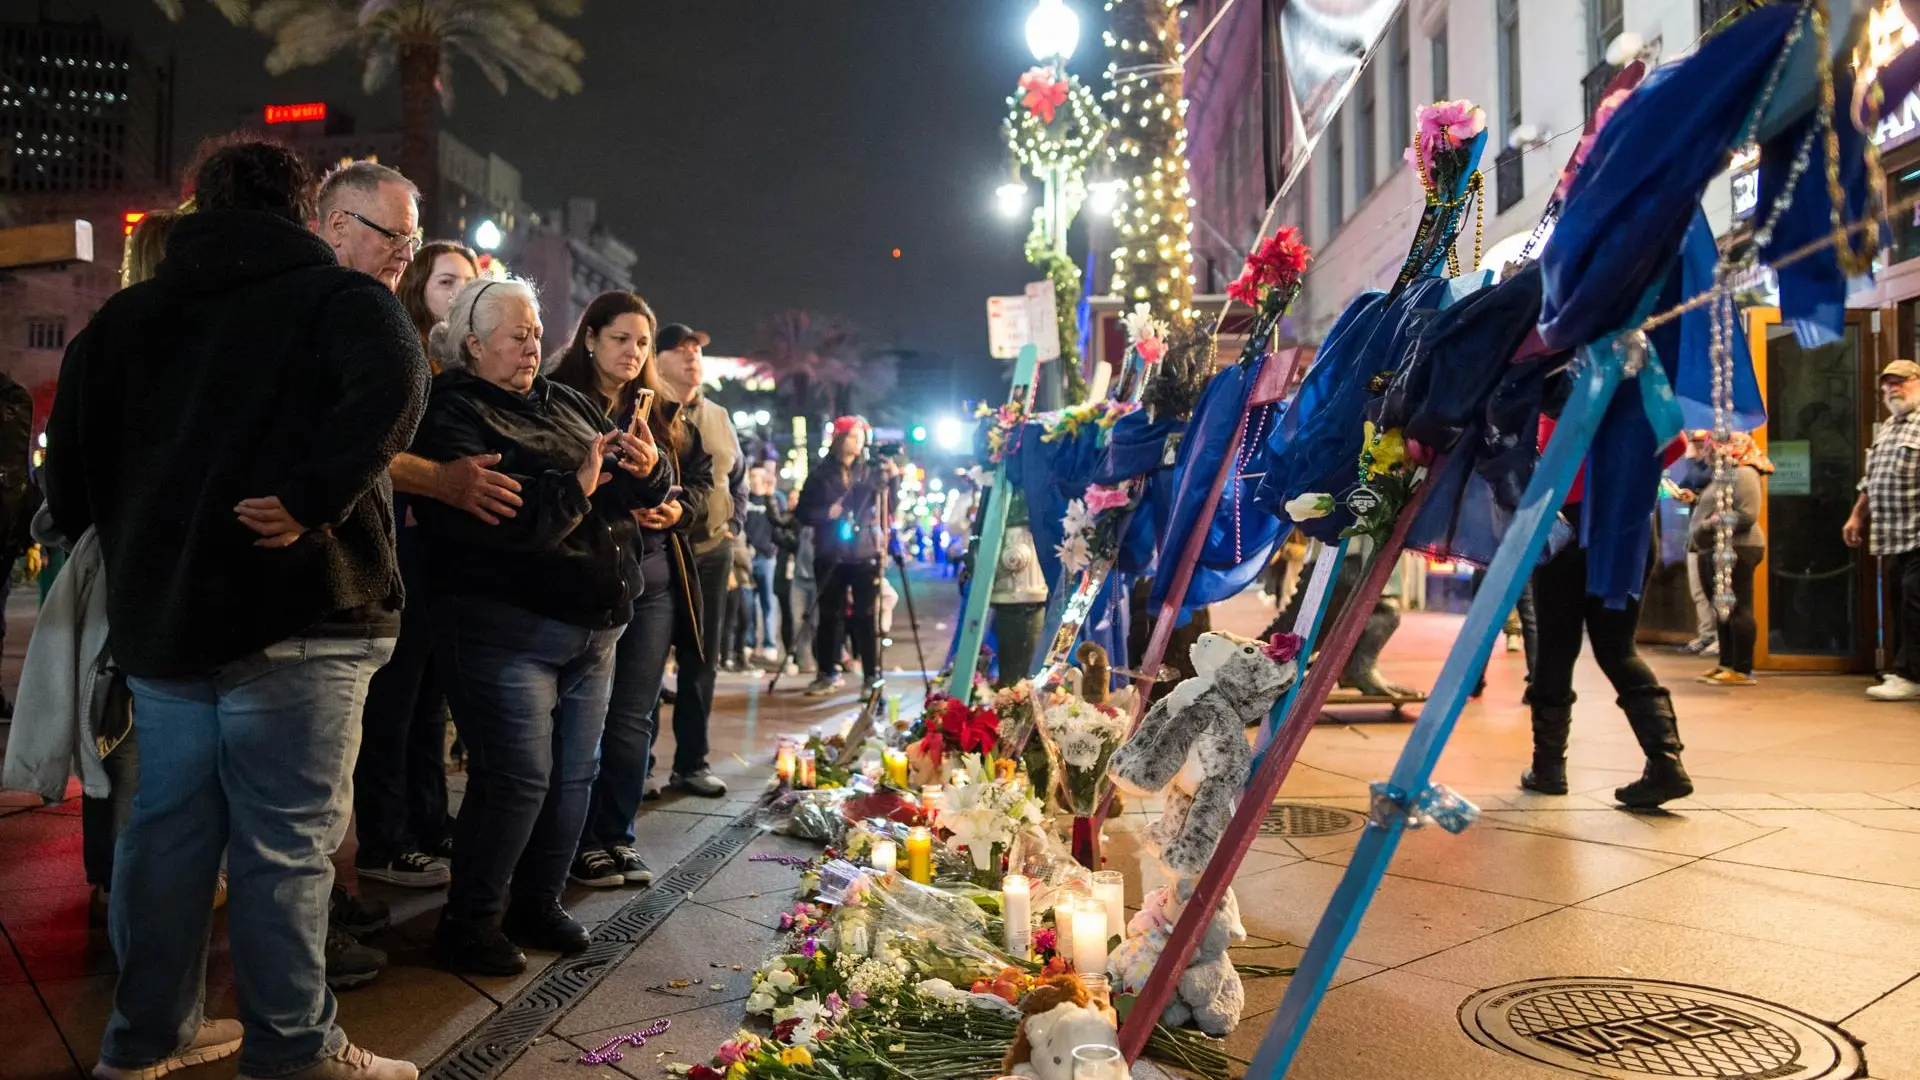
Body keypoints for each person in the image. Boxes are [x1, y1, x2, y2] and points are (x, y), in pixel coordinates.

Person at [45, 139, 428, 1080]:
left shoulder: (126, 319)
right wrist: (314, 497)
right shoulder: (339, 301)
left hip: (166, 626)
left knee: (165, 837)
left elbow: (71, 483)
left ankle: (144, 1039)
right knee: (285, 846)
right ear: (308, 215)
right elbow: (399, 390)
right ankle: (292, 1047)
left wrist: (135, 531)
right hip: (299, 616)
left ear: (197, 207)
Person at [412, 278, 667, 974]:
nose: (531, 343)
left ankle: (538, 901)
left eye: (534, 329)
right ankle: (467, 922)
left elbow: (638, 489)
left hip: (595, 630)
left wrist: (648, 468)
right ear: (472, 343)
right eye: (514, 332)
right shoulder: (454, 413)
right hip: (505, 629)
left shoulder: (569, 399)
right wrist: (577, 485)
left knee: (572, 776)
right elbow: (502, 527)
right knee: (517, 777)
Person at [550, 291, 710, 889]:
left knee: (632, 719)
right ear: (589, 338)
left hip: (656, 583)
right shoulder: (561, 403)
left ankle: (616, 835)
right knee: (581, 722)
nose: (632, 351)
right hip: (593, 581)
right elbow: (567, 486)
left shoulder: (662, 412)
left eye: (641, 342)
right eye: (620, 338)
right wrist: (629, 479)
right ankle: (579, 841)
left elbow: (696, 483)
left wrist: (674, 506)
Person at [349, 239, 479, 892]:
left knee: (431, 699)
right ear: (420, 287)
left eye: (471, 283)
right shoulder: (404, 352)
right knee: (394, 699)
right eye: (449, 282)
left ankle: (430, 821)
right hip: (396, 544)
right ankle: (384, 837)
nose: (462, 294)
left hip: (440, 554)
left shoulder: (459, 368)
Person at [1521, 422, 1691, 810]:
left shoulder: (1562, 391)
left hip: (1570, 523)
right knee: (1618, 649)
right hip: (1628, 526)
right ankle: (1667, 763)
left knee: (1556, 647)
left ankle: (1548, 768)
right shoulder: (1637, 381)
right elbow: (1676, 444)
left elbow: (1541, 455)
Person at [651, 325, 743, 796]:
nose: (692, 359)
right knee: (645, 662)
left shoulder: (718, 415)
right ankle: (637, 766)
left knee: (701, 661)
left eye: (696, 352)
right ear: (657, 357)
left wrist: (734, 526)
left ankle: (691, 763)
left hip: (710, 552)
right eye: (680, 350)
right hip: (660, 551)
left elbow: (735, 479)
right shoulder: (644, 408)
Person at [796, 417, 899, 696]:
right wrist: (826, 514)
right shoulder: (821, 473)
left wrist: (893, 479)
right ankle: (826, 672)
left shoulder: (869, 472)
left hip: (865, 552)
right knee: (830, 614)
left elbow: (889, 506)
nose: (859, 441)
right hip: (830, 552)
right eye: (853, 436)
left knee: (867, 616)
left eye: (862, 436)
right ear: (840, 439)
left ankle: (870, 676)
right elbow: (802, 512)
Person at [1847, 359, 1920, 701]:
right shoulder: (1889, 426)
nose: (1893, 389)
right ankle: (1903, 668)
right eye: (1888, 384)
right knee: (1897, 601)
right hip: (1892, 535)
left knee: (1913, 601)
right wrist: (1857, 516)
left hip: (1918, 533)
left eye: (1900, 382)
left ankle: (1910, 675)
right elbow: (1871, 479)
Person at [1693, 433, 1770, 687]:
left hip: (1739, 548)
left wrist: (1708, 524)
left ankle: (1742, 669)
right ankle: (1726, 664)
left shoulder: (1745, 473)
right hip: (1715, 548)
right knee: (1721, 609)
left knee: (1737, 608)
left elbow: (1747, 514)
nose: (1710, 452)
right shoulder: (1723, 474)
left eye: (1715, 447)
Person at [1673, 432, 1720, 656]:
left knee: (1716, 590)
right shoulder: (1702, 466)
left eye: (1704, 443)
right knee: (1699, 591)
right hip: (1696, 536)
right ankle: (1707, 633)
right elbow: (1686, 484)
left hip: (1714, 539)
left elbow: (1698, 479)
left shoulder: (1722, 468)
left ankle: (1720, 637)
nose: (1702, 448)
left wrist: (1691, 456)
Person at [396, 241, 480, 356]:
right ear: (418, 290)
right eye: (446, 282)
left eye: (470, 283)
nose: (462, 291)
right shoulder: (400, 352)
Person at [744, 464, 787, 664]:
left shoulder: (775, 499)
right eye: (752, 476)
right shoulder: (745, 499)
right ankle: (749, 642)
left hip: (767, 558)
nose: (755, 480)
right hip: (747, 558)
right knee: (748, 604)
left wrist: (772, 548)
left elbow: (782, 524)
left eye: (759, 476)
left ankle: (770, 644)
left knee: (768, 603)